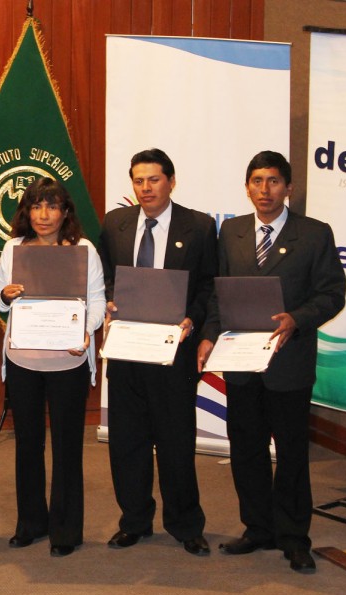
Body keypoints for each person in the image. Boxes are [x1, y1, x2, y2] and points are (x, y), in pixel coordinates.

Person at [197, 151, 346, 574]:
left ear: (289, 189)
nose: (265, 190)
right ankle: (258, 527)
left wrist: (297, 319)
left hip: (289, 363)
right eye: (258, 181)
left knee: (293, 454)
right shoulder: (232, 232)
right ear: (247, 187)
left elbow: (332, 292)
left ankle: (295, 536)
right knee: (246, 450)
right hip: (241, 363)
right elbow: (217, 293)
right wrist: (208, 336)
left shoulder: (315, 234)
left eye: (274, 182)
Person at [98, 148, 217, 557]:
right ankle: (134, 520)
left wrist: (193, 319)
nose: (145, 188)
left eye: (153, 180)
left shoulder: (199, 226)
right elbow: (106, 279)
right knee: (127, 442)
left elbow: (208, 285)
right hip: (128, 351)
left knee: (175, 442)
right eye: (137, 180)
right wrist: (110, 302)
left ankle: (186, 524)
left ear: (171, 181)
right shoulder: (115, 224)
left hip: (173, 353)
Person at [0, 178, 105, 557]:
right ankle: (31, 523)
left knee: (67, 445)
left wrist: (84, 334)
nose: (44, 214)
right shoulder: (13, 248)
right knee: (27, 444)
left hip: (67, 360)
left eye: (52, 206)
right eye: (37, 206)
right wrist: (5, 296)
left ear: (65, 212)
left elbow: (97, 302)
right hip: (24, 359)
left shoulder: (84, 249)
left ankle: (66, 529)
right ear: (26, 211)